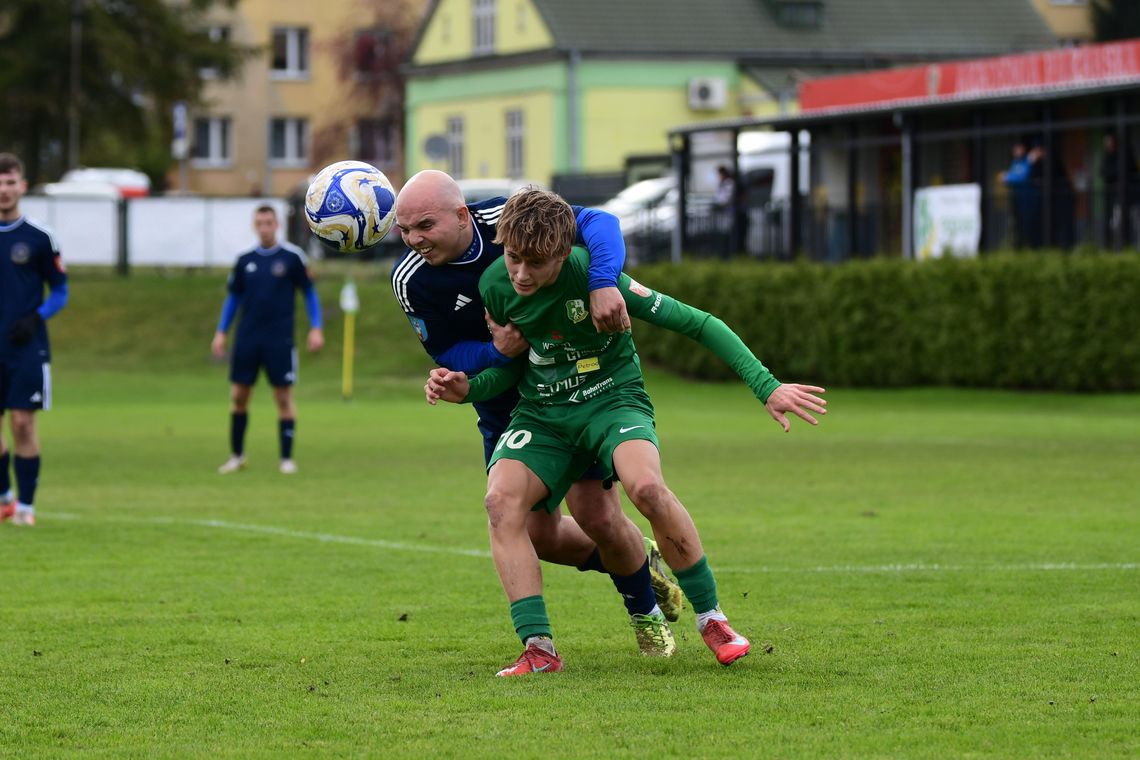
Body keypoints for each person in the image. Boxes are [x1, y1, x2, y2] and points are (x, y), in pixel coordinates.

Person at [426, 188, 827, 676]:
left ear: (563, 251)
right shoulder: (496, 284)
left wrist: (766, 386)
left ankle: (712, 620)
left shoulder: (597, 277)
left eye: (536, 263)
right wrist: (467, 388)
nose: (522, 274)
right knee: (499, 503)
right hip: (544, 414)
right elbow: (513, 367)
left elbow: (700, 323)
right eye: (513, 259)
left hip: (611, 400)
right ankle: (539, 649)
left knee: (648, 490)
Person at [391, 170, 683, 662]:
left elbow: (600, 222)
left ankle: (641, 602)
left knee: (598, 517)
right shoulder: (411, 281)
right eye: (404, 230)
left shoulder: (506, 217)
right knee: (538, 533)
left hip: (572, 389)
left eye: (424, 226)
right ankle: (636, 564)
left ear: (461, 215)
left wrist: (601, 282)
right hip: (504, 401)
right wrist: (492, 350)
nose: (414, 240)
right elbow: (445, 350)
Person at [211, 205, 323, 474]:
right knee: (238, 396)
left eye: (269, 222)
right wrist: (221, 331)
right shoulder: (244, 260)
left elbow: (309, 293)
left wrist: (316, 327)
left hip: (279, 340)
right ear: (254, 226)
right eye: (260, 223)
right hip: (248, 338)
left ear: (277, 225)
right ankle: (237, 456)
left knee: (283, 398)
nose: (264, 228)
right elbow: (233, 297)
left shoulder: (293, 258)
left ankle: (286, 459)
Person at [0, 153, 70, 527]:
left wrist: (36, 317)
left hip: (27, 346)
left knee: (23, 423)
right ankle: (3, 496)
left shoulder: (40, 238)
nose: (4, 190)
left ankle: (25, 507)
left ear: (22, 186)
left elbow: (61, 291)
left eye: (10, 182)